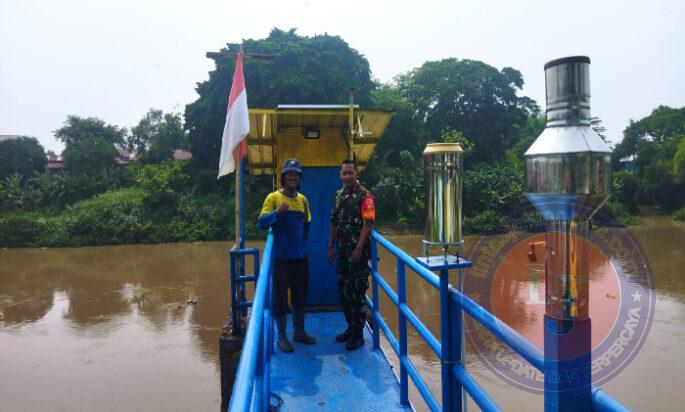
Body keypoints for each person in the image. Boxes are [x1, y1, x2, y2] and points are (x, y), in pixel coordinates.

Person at [258, 158, 315, 352]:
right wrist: (277, 213)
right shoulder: (273, 197)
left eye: (296, 174)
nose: (292, 177)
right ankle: (282, 337)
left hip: (300, 258)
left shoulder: (303, 200)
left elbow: (307, 224)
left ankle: (299, 331)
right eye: (289, 174)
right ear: (283, 177)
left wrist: (302, 246)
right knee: (280, 299)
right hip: (281, 259)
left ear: (299, 178)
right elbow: (261, 223)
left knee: (300, 297)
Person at [328, 159, 376, 351]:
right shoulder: (338, 195)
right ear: (340, 175)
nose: (347, 176)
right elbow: (333, 222)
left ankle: (358, 336)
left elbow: (368, 223)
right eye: (344, 173)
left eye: (350, 173)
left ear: (357, 174)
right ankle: (350, 328)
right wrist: (330, 247)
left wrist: (358, 249)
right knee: (344, 293)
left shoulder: (366, 196)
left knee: (357, 295)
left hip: (358, 254)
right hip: (342, 253)